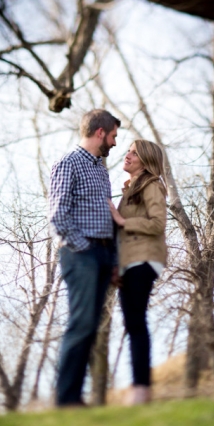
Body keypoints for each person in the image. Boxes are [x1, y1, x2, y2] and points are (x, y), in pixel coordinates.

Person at [50, 109, 121, 407]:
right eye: (114, 136)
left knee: (91, 326)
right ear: (100, 133)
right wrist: (87, 250)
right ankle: (66, 399)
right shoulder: (68, 164)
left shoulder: (100, 169)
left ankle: (75, 398)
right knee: (80, 324)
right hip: (81, 254)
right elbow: (58, 216)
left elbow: (108, 215)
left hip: (103, 253)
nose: (116, 143)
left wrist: (112, 258)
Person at [109, 140, 167, 405]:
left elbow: (157, 224)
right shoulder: (129, 190)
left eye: (135, 153)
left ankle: (142, 388)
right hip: (129, 262)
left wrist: (121, 220)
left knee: (136, 322)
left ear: (146, 161)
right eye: (128, 151)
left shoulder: (152, 184)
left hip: (144, 258)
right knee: (133, 323)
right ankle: (139, 386)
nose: (128, 155)